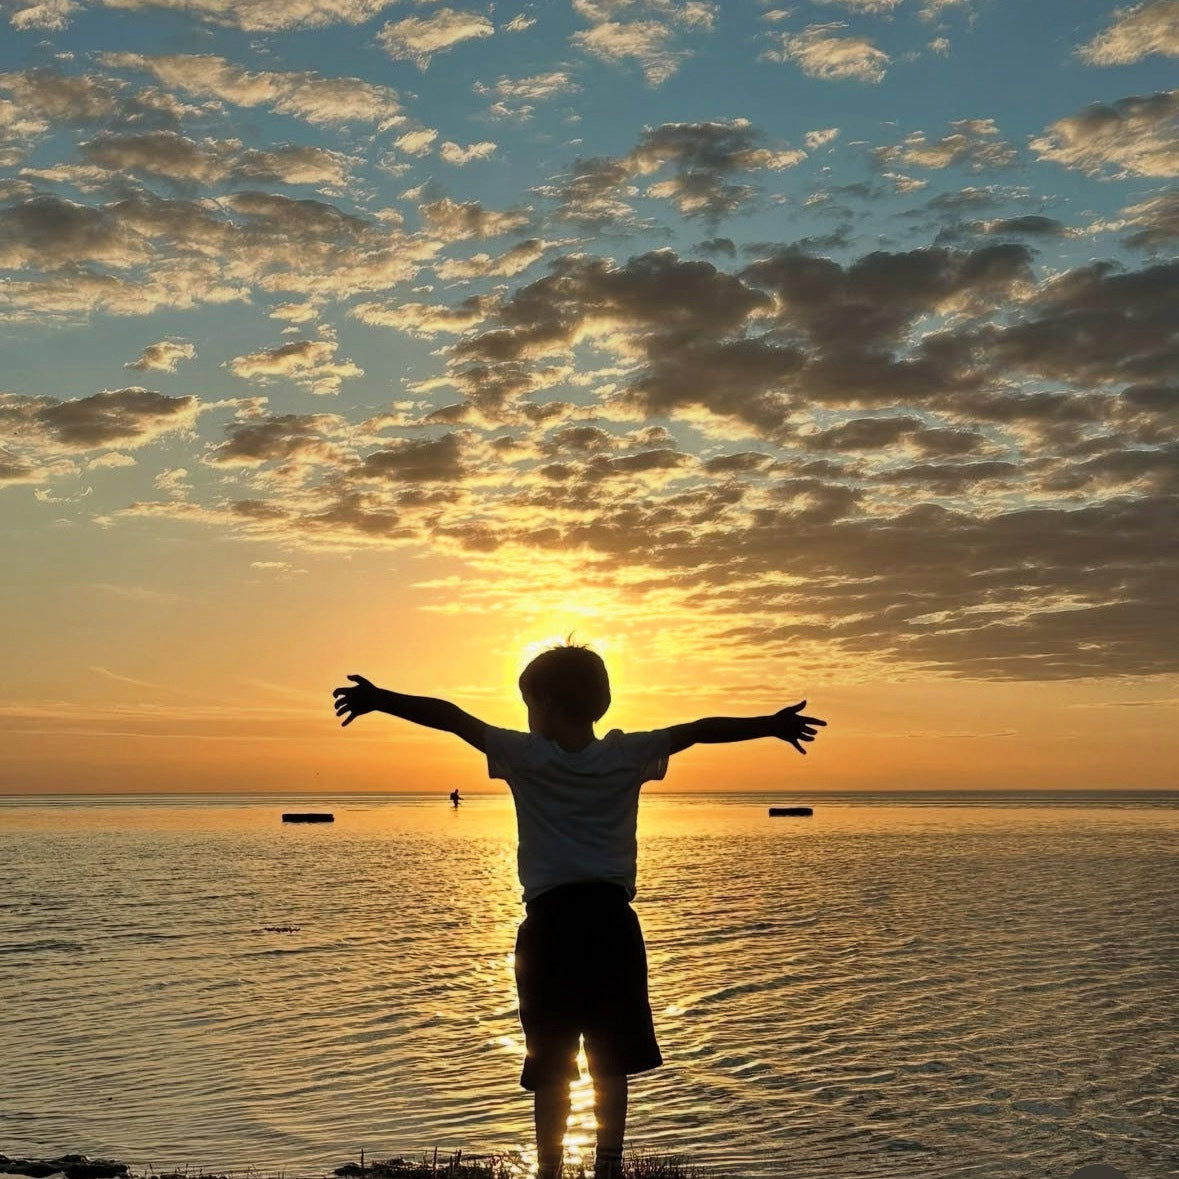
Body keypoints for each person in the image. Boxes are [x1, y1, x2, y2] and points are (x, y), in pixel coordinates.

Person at [332, 643, 825, 1179]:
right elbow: (700, 728)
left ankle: (549, 1170)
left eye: (527, 703)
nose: (525, 715)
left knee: (551, 1062)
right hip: (613, 925)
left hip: (549, 928)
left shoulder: (525, 755)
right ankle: (606, 1169)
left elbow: (450, 717)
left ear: (543, 702)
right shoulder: (627, 754)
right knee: (611, 1060)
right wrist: (770, 725)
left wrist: (380, 699)